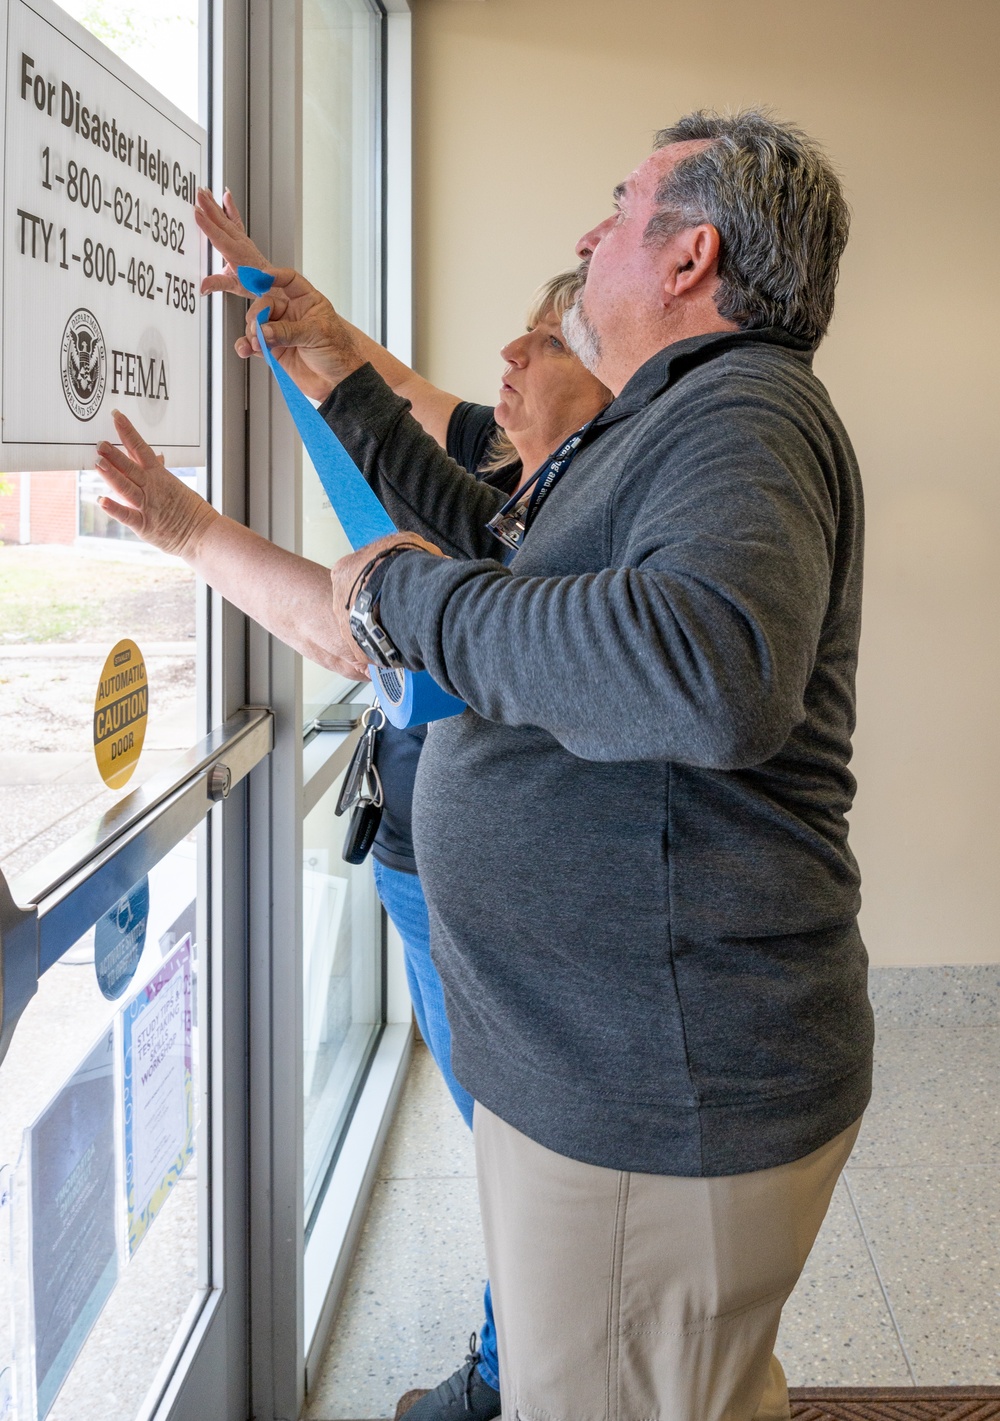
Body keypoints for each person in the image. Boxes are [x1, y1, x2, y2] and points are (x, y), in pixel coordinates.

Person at [95, 108, 874, 1421]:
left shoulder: (747, 412)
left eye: (620, 206)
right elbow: (487, 540)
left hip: (658, 1085)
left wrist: (411, 604)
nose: (589, 231)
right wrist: (337, 383)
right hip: (608, 1070)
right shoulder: (665, 422)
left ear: (688, 259)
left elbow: (713, 672)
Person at [198, 188, 611, 1421]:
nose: (510, 362)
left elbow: (348, 625)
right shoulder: (514, 482)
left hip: (486, 888)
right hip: (430, 860)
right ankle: (516, 1354)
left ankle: (512, 1369)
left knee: (515, 1139)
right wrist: (296, 316)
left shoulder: (546, 540)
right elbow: (406, 399)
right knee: (508, 1139)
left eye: (548, 344)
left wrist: (186, 526)